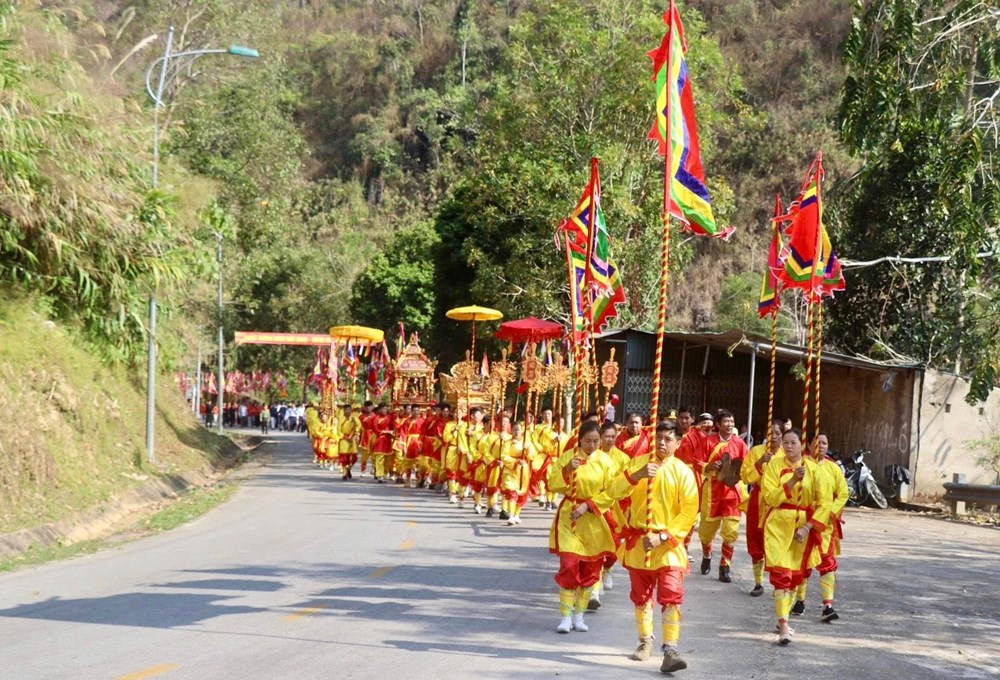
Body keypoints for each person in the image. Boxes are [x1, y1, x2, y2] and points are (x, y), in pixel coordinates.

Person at [608, 420, 699, 673]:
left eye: (668, 439)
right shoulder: (638, 463)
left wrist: (664, 536)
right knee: (641, 597)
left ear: (678, 443)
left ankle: (670, 649)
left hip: (668, 544)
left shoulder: (683, 472)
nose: (661, 442)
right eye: (658, 437)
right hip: (639, 543)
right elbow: (614, 492)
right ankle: (645, 640)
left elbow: (689, 511)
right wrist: (636, 477)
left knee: (671, 594)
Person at [762, 428, 833, 645]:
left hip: (802, 528)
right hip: (778, 526)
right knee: (782, 577)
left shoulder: (814, 469)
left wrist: (809, 526)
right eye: (786, 442)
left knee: (795, 578)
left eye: (793, 442)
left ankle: (784, 614)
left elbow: (825, 502)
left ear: (801, 445)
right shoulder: (774, 465)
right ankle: (783, 623)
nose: (789, 446)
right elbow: (770, 497)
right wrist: (792, 481)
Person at [547, 420, 617, 634]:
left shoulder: (606, 462)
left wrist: (589, 505)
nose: (592, 445)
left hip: (594, 519)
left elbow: (612, 492)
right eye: (588, 441)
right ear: (580, 440)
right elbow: (553, 484)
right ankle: (565, 616)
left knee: (590, 570)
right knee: (569, 564)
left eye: (596, 441)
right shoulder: (569, 457)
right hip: (570, 518)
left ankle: (579, 615)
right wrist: (568, 469)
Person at [792, 432, 848, 622]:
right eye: (817, 443)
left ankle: (828, 605)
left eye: (824, 443)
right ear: (808, 445)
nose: (821, 446)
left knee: (827, 562)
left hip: (826, 524)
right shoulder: (803, 465)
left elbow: (843, 493)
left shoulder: (833, 468)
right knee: (804, 562)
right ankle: (800, 601)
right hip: (804, 521)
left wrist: (830, 514)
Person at [693, 409, 748, 583]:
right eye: (726, 422)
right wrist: (709, 466)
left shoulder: (740, 443)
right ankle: (707, 553)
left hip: (732, 492)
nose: (730, 425)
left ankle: (725, 567)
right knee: (706, 532)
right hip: (713, 491)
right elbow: (696, 461)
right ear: (718, 425)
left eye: (732, 422)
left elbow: (746, 466)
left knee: (730, 531)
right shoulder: (708, 441)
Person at [741, 421, 784, 596]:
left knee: (776, 542)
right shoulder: (757, 451)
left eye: (777, 433)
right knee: (755, 539)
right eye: (770, 432)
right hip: (758, 500)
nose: (773, 436)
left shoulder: (786, 454)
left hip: (778, 502)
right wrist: (759, 464)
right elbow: (745, 478)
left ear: (782, 435)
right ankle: (758, 582)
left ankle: (778, 583)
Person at [501, 421, 535, 525]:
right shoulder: (507, 443)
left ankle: (516, 514)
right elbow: (504, 456)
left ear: (522, 431)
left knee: (522, 493)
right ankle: (511, 515)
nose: (516, 432)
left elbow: (533, 456)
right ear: (511, 430)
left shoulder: (527, 442)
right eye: (514, 429)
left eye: (518, 429)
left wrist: (528, 450)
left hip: (523, 470)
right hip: (510, 470)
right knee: (512, 492)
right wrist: (515, 461)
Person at [337, 404, 363, 480]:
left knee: (354, 458)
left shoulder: (354, 418)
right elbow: (338, 430)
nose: (348, 411)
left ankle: (349, 469)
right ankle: (344, 473)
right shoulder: (341, 419)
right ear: (344, 411)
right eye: (347, 410)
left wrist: (356, 432)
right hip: (344, 440)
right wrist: (345, 437)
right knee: (344, 458)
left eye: (349, 409)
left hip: (352, 440)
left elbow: (359, 427)